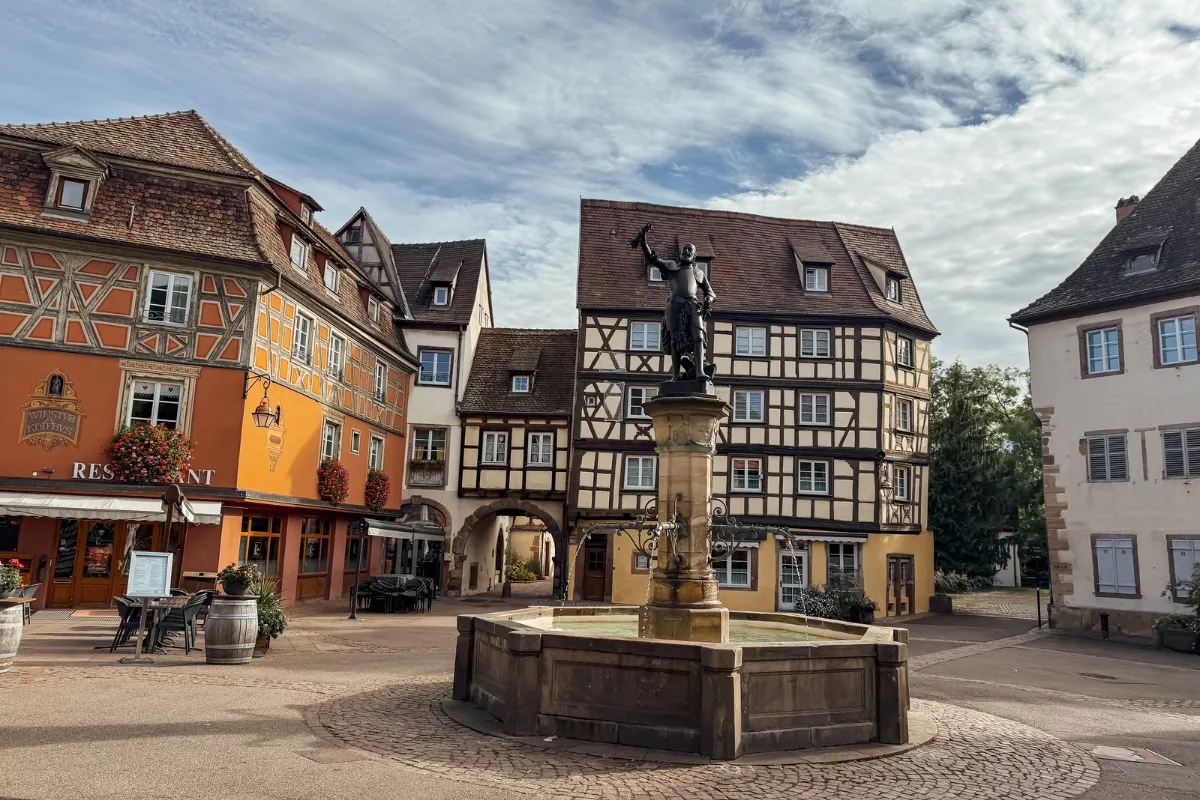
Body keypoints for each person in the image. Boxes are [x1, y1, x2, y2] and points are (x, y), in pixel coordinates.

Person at [631, 224, 716, 382]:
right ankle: (675, 375)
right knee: (674, 340)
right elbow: (652, 259)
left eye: (690, 250)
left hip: (693, 306)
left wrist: (708, 300)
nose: (686, 252)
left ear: (694, 256)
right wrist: (643, 243)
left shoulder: (699, 273)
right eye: (684, 249)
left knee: (699, 337)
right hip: (674, 305)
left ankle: (699, 371)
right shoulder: (672, 266)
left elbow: (710, 292)